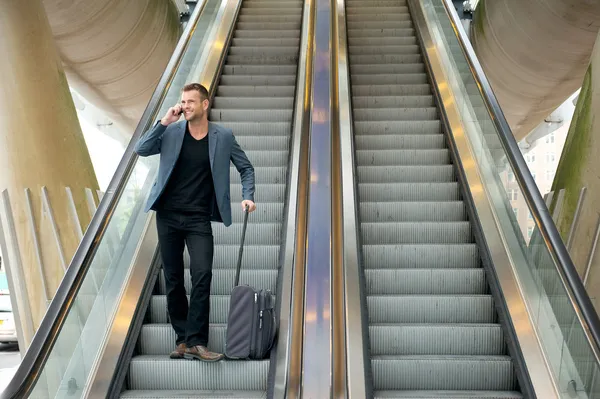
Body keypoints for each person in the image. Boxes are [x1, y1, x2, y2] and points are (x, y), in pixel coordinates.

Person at [135, 83, 256, 362]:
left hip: (199, 217)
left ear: (205, 104)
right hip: (167, 215)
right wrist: (164, 121)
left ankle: (198, 341)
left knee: (202, 275)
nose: (185, 106)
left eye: (191, 101)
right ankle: (183, 339)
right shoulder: (172, 132)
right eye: (183, 101)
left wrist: (248, 196)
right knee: (174, 278)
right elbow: (141, 149)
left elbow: (246, 167)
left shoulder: (222, 136)